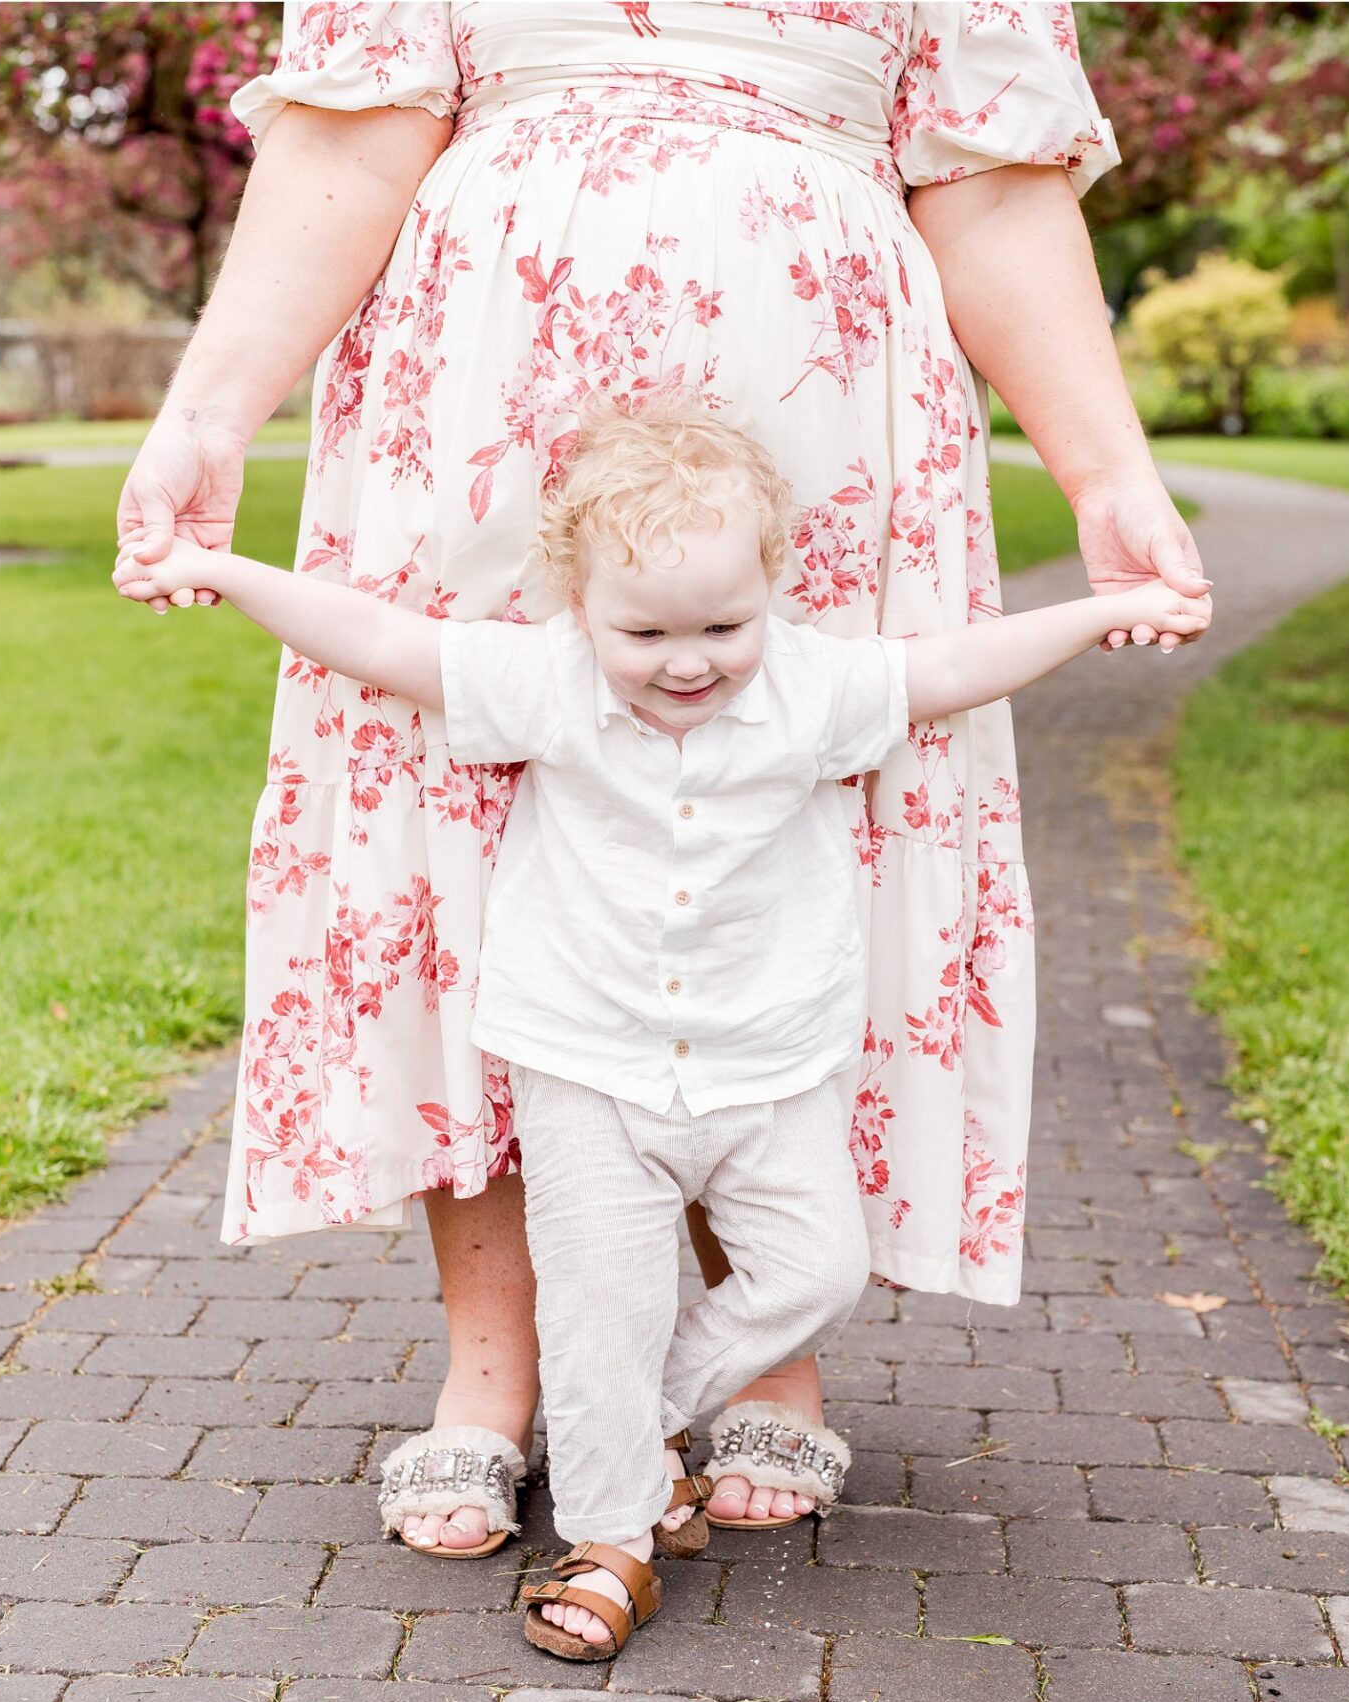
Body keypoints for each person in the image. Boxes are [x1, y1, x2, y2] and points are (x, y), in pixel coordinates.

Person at [114, 1, 1210, 1556]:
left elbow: (993, 175)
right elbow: (356, 127)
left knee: (785, 844)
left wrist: (1109, 472)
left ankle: (769, 1342)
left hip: (814, 404)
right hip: (488, 384)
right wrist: (208, 409)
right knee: (471, 838)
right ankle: (497, 1373)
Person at [117, 393, 1208, 1658]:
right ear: (577, 604)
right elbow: (371, 637)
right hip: (589, 1070)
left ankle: (625, 1421)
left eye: (722, 625)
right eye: (644, 630)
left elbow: (955, 669)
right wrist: (215, 566)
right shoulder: (545, 682)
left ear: (772, 588)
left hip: (772, 1069)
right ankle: (610, 1541)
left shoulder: (810, 688)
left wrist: (1105, 611)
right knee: (596, 1310)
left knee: (814, 1270)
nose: (686, 661)